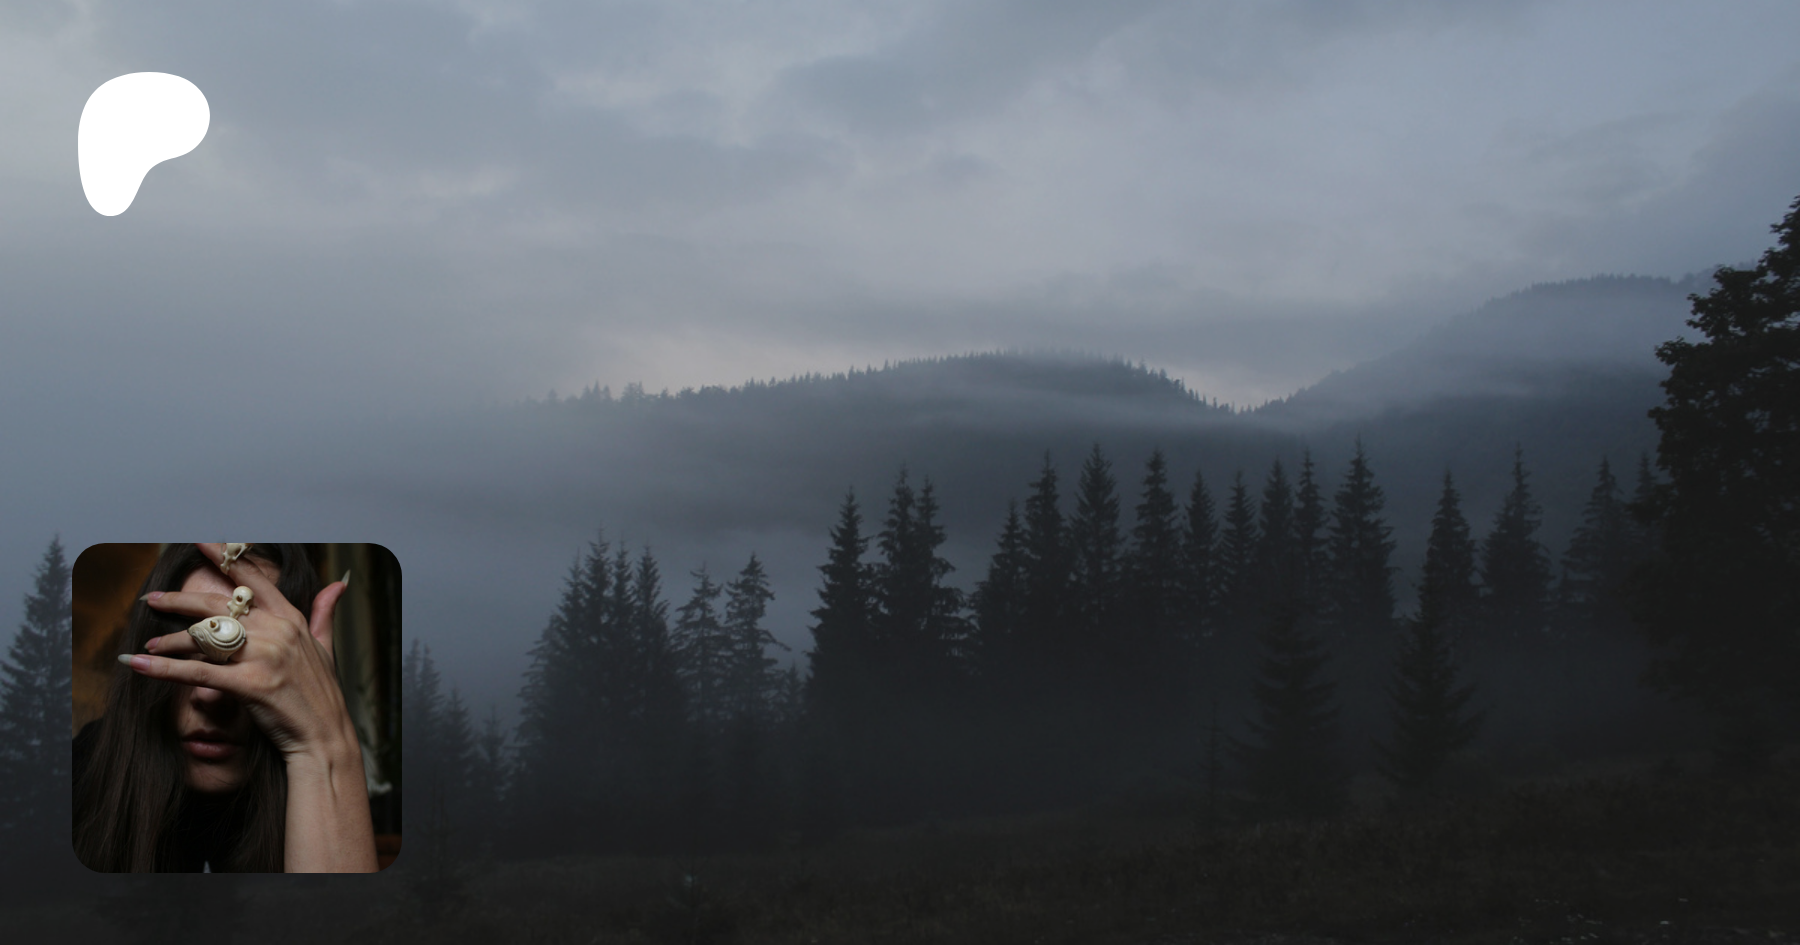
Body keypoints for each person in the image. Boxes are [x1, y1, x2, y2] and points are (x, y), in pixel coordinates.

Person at [72, 543, 378, 872]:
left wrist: (323, 746)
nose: (210, 694)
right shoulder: (75, 775)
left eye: (254, 656)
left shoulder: (340, 810)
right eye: (185, 647)